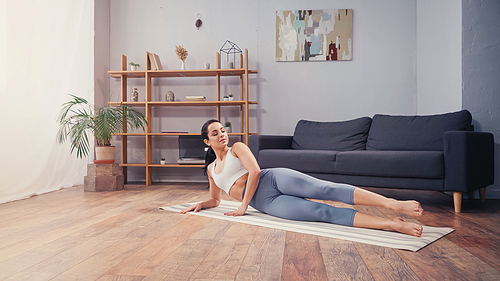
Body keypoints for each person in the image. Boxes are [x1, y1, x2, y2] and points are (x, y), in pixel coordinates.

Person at [180, 119, 424, 237]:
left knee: (327, 189)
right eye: (215, 133)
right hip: (267, 203)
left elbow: (255, 172)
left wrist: (243, 206)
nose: (222, 134)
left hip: (272, 180)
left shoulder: (238, 148)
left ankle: (392, 204)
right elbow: (216, 200)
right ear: (207, 141)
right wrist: (201, 204)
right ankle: (392, 224)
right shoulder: (212, 170)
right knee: (322, 213)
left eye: (223, 130)